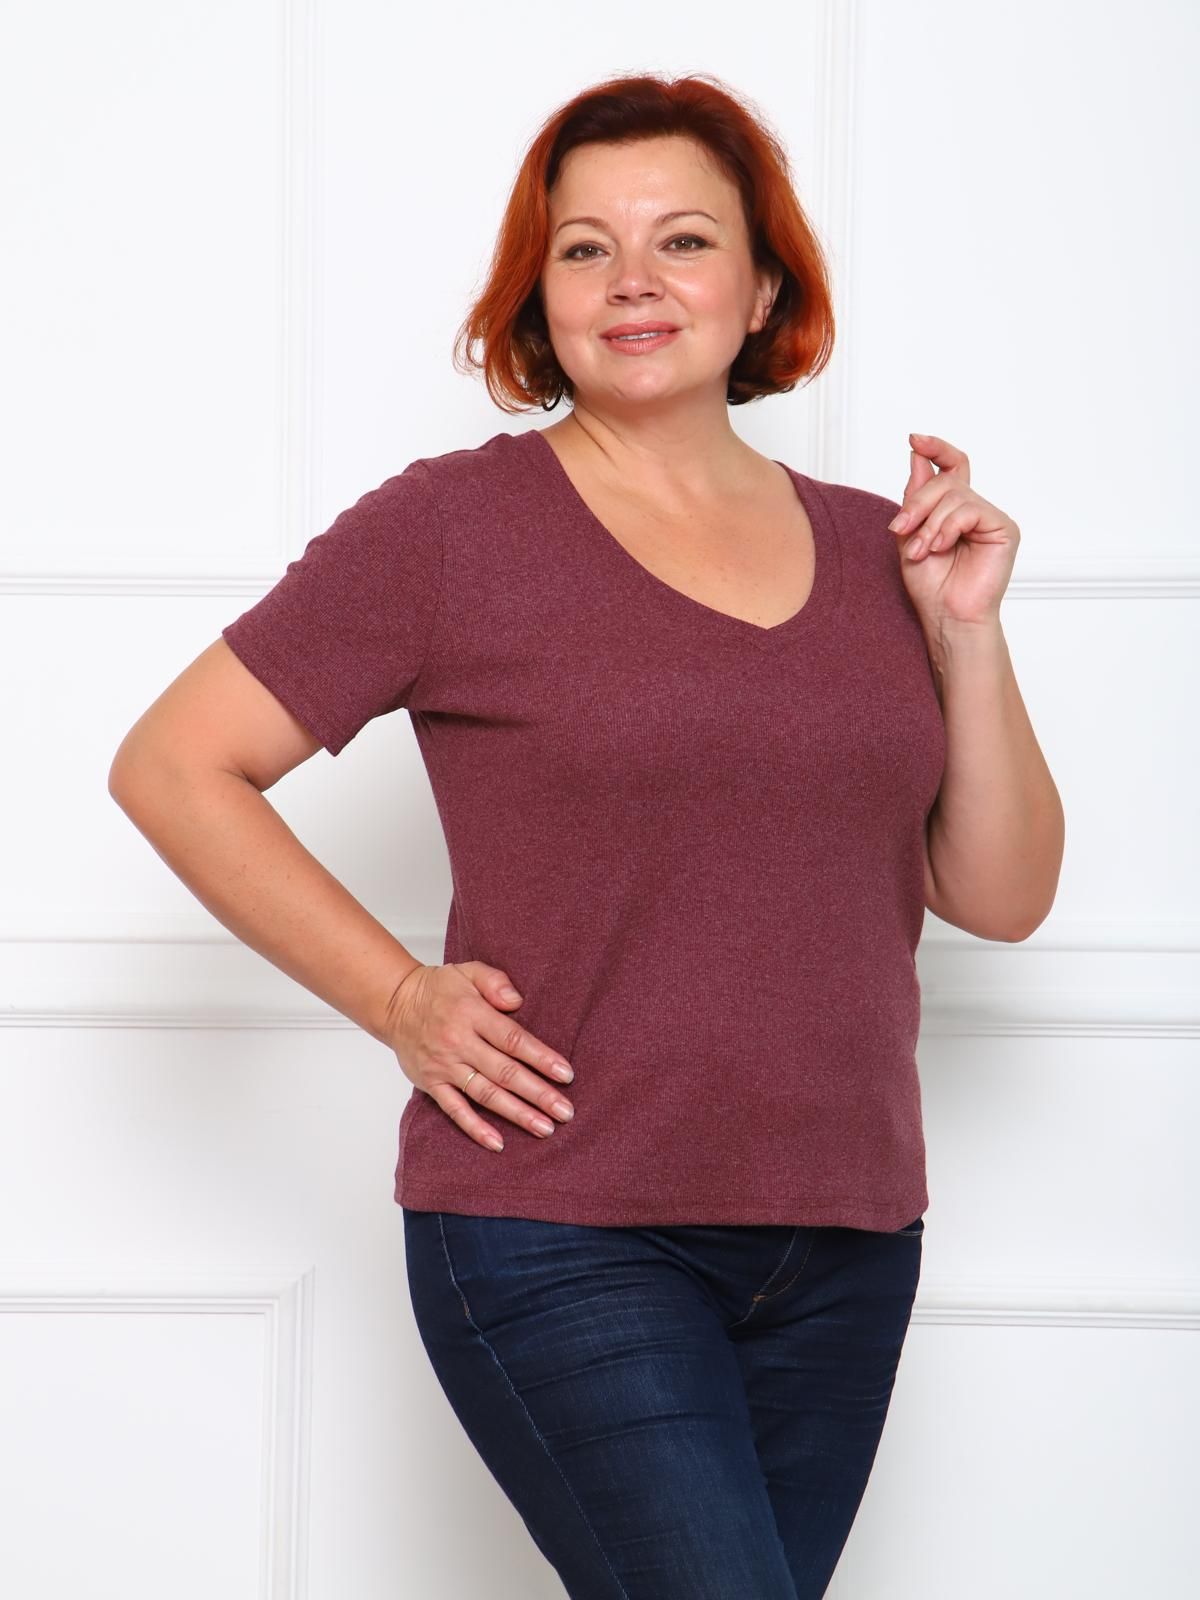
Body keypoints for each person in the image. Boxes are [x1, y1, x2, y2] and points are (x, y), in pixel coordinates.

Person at [108, 71, 1064, 1600]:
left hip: (846, 1236)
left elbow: (1001, 896)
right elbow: (174, 764)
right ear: (537, 296)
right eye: (583, 248)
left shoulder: (876, 550)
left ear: (764, 289)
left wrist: (964, 634)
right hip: (561, 1225)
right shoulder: (448, 531)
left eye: (684, 240)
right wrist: (397, 998)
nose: (633, 280)